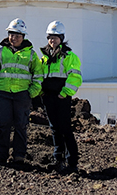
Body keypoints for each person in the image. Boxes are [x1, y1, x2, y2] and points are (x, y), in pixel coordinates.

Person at [0, 18, 43, 164]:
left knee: (21, 125)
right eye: (12, 35)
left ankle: (19, 155)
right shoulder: (1, 52)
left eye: (18, 35)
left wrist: (31, 93)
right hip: (3, 94)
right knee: (3, 124)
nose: (14, 38)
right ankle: (1, 154)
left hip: (22, 95)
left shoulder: (31, 55)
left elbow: (38, 75)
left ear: (23, 37)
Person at [39, 20, 83, 173]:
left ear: (62, 38)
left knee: (65, 128)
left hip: (61, 98)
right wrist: (40, 92)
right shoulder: (44, 57)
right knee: (54, 128)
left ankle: (72, 161)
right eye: (50, 37)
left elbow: (75, 77)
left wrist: (64, 93)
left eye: (56, 37)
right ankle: (58, 159)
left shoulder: (69, 56)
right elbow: (39, 75)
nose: (52, 40)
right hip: (49, 98)